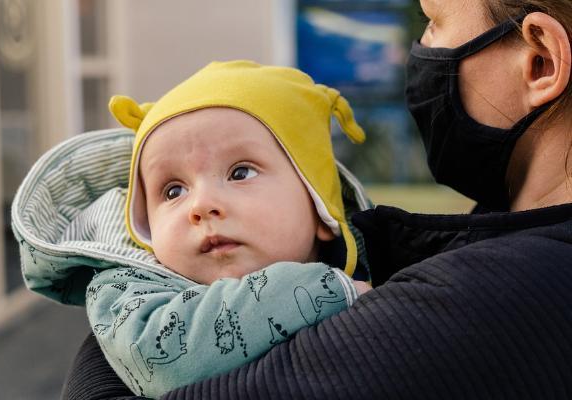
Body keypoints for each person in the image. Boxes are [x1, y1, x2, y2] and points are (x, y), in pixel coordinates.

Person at [61, 0, 572, 398]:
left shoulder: (495, 298)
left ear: (539, 61)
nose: (201, 205)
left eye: (433, 21)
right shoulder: (502, 229)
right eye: (172, 190)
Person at [11, 61, 373, 399]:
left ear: (320, 209)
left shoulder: (387, 265)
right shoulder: (126, 291)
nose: (201, 206)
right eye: (173, 191)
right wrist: (326, 290)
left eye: (240, 172)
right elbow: (162, 357)